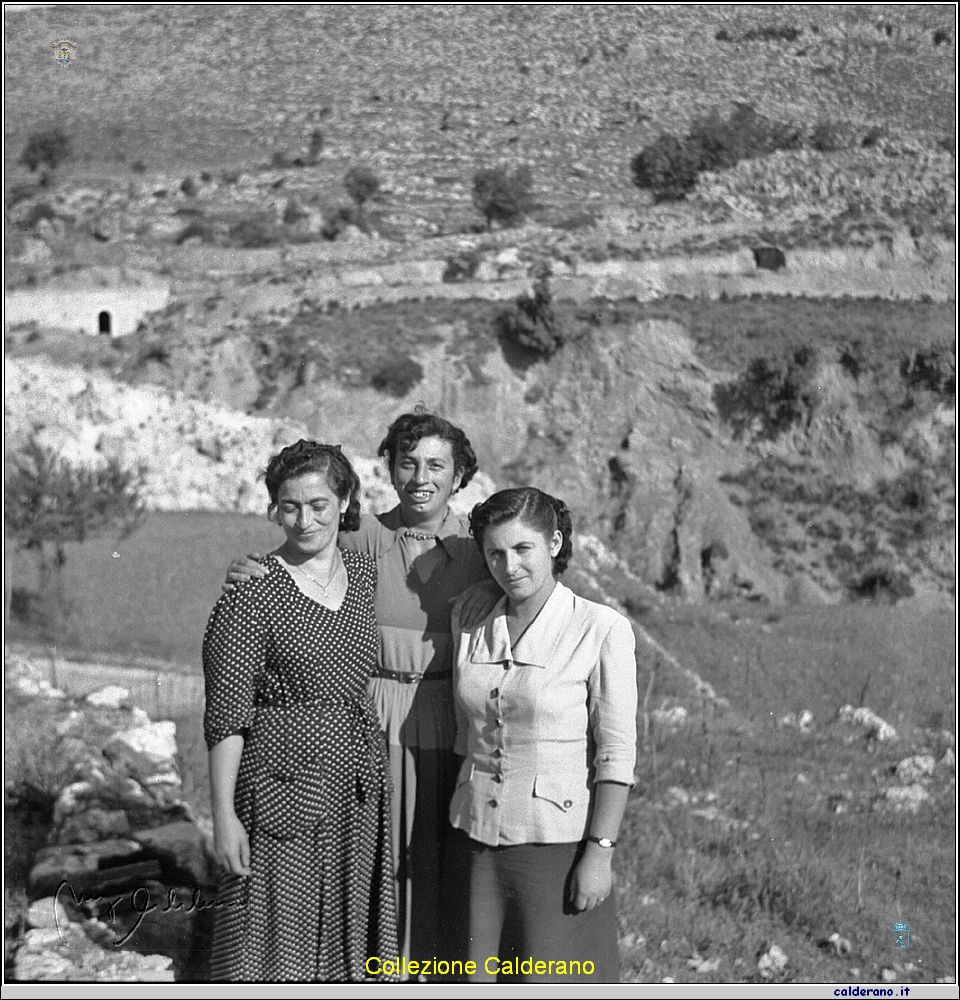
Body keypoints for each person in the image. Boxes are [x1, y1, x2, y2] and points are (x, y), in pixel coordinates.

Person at [224, 412, 489, 966]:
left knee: (435, 858)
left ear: (460, 474)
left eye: (436, 465)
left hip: (447, 721)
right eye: (407, 462)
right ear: (389, 468)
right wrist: (250, 568)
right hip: (366, 720)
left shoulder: (479, 551)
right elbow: (299, 563)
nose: (420, 477)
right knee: (370, 861)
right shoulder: (362, 535)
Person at [204, 440, 398, 982]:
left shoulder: (363, 577)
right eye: (289, 506)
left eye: (318, 505)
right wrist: (224, 816)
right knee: (270, 948)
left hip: (354, 787)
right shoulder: (252, 591)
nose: (304, 520)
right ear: (274, 509)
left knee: (344, 943)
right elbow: (226, 716)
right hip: (279, 785)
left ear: (344, 502)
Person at [446, 487, 638, 983]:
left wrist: (599, 852)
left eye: (522, 549)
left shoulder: (601, 628)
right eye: (495, 553)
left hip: (555, 846)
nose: (508, 565)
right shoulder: (471, 623)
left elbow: (616, 754)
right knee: (477, 979)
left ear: (554, 543)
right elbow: (467, 730)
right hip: (476, 842)